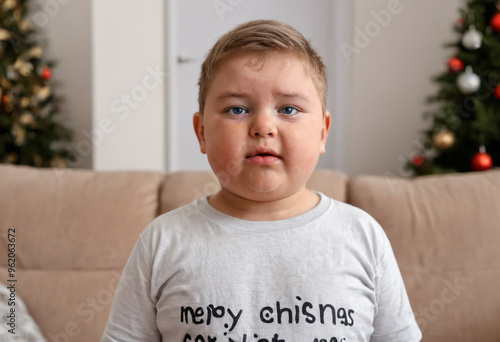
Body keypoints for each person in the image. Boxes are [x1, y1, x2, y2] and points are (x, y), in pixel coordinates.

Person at [101, 19, 421, 342]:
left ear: (323, 132)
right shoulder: (162, 243)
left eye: (288, 109)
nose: (263, 126)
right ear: (201, 133)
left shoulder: (362, 237)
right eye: (237, 109)